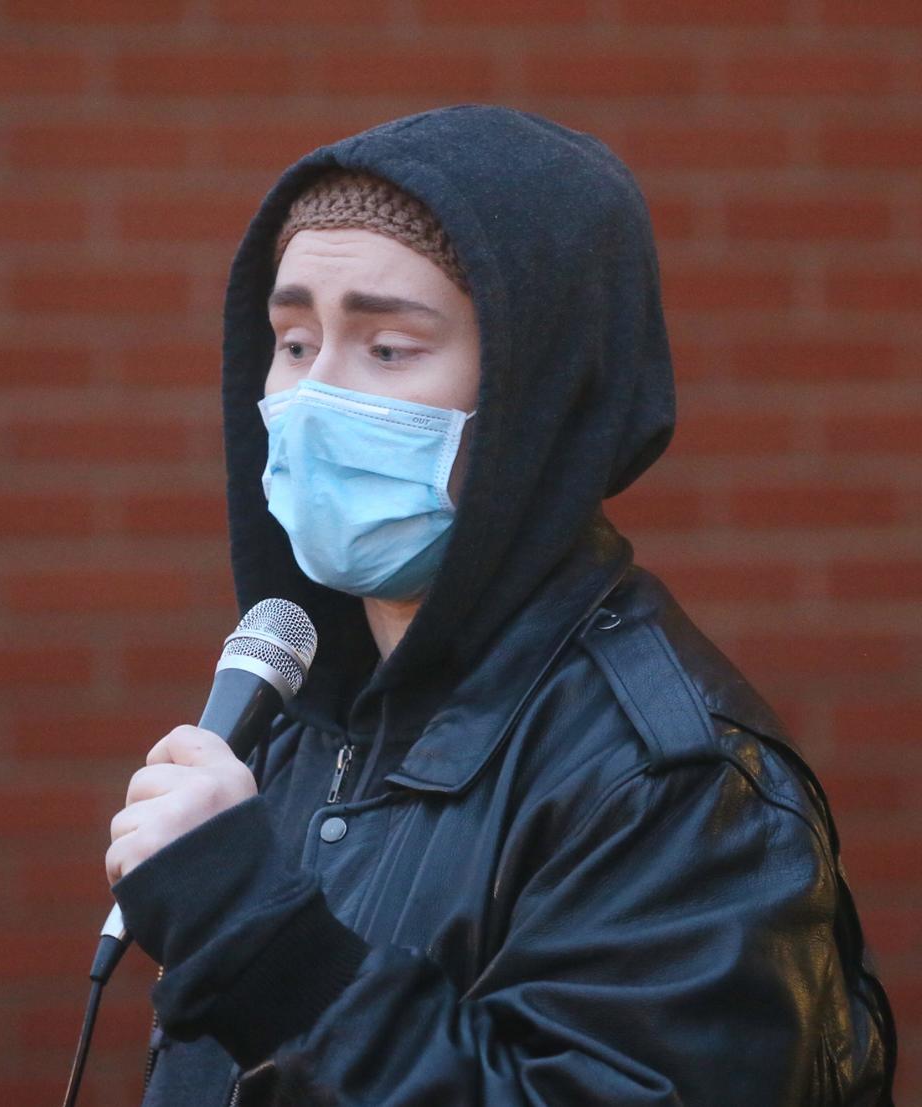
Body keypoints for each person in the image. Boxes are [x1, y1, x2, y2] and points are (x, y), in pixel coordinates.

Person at [106, 105, 896, 1106]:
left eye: (388, 348)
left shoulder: (672, 782)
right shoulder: (298, 719)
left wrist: (269, 952)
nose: (313, 398)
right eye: (294, 340)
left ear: (539, 398)